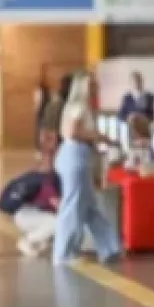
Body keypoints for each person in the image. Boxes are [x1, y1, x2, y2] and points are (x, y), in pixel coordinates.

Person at [52, 71, 122, 267]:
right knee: (73, 206)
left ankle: (109, 248)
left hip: (80, 156)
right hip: (74, 157)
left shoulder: (82, 108)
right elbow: (72, 132)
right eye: (92, 85)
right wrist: (96, 136)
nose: (96, 88)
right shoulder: (78, 107)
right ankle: (65, 253)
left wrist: (101, 137)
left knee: (90, 206)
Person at [13, 132, 60, 257]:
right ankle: (27, 241)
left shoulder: (36, 175)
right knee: (57, 223)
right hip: (27, 215)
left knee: (53, 220)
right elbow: (56, 203)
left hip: (26, 215)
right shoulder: (45, 180)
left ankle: (41, 241)